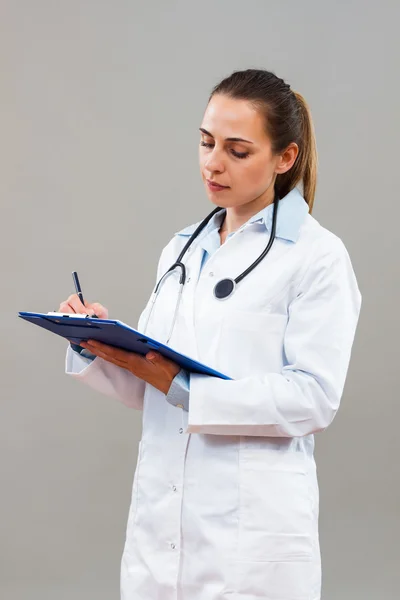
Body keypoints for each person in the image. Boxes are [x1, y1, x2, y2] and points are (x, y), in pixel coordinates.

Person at [59, 69, 362, 600]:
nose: (213, 163)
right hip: (162, 532)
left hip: (250, 541)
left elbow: (314, 397)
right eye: (206, 143)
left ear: (285, 158)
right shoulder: (181, 249)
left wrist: (184, 387)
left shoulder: (318, 256)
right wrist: (98, 343)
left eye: (237, 150)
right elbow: (152, 383)